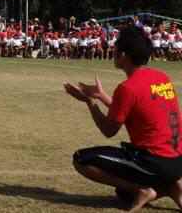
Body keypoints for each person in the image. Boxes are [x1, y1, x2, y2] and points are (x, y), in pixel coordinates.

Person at [65, 26, 182, 212]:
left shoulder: (128, 88)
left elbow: (108, 131)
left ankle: (145, 189)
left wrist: (89, 102)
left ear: (124, 55)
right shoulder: (162, 78)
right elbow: (132, 112)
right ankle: (171, 187)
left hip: (152, 161)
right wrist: (102, 95)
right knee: (123, 193)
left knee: (81, 159)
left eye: (116, 49)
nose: (113, 52)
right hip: (177, 160)